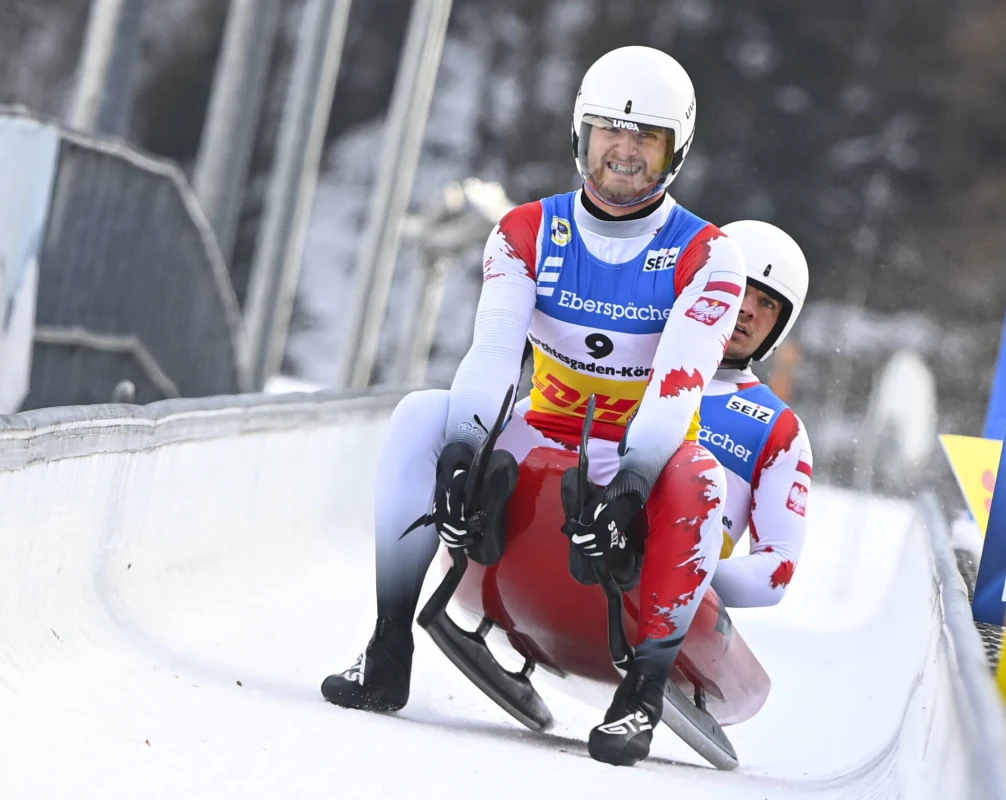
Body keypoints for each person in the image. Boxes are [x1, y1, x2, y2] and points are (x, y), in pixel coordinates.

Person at [320, 45, 747, 768]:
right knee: (421, 416)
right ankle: (387, 646)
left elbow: (678, 384)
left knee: (699, 476)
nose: (624, 150)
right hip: (543, 428)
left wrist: (637, 482)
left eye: (646, 137)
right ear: (581, 134)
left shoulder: (709, 256)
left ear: (675, 152)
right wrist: (461, 449)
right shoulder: (526, 231)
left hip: (640, 447)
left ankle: (639, 694)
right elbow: (493, 354)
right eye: (610, 129)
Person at [695, 220, 814, 609]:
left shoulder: (780, 430)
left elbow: (776, 570)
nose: (746, 309)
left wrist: (680, 572)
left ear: (778, 326)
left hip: (664, 588)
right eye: (741, 287)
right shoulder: (634, 355)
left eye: (767, 302)